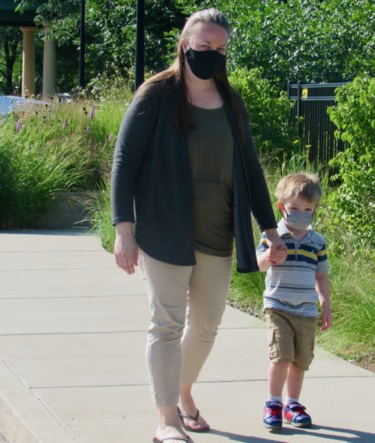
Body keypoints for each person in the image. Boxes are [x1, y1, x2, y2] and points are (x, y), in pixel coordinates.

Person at [111, 8, 287, 443]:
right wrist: (123, 231)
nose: (213, 54)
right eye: (205, 46)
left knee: (206, 324)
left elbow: (249, 166)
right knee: (166, 324)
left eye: (221, 48)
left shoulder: (231, 101)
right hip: (163, 228)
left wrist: (269, 228)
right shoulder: (155, 96)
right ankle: (167, 420)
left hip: (217, 230)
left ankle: (182, 391)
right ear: (185, 45)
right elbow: (124, 162)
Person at [257, 172, 332, 432]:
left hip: (306, 309)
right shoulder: (273, 235)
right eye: (295, 208)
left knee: (300, 361)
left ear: (314, 210)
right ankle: (273, 403)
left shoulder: (317, 242)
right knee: (281, 356)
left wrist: (325, 304)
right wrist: (269, 254)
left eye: (307, 209)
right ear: (282, 208)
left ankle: (293, 404)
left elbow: (321, 275)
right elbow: (259, 266)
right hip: (278, 306)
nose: (302, 213)